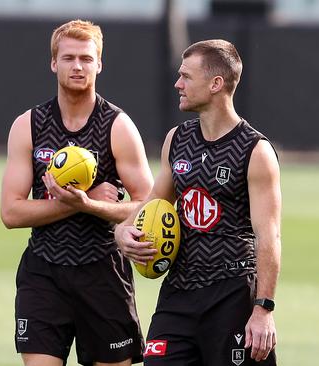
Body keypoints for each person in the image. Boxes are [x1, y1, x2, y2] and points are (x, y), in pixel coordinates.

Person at [114, 39, 281, 365]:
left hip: (232, 295)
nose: (178, 84)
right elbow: (150, 203)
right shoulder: (176, 140)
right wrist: (123, 231)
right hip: (179, 292)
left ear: (216, 83)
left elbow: (269, 236)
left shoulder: (255, 151)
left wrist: (263, 309)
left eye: (186, 76)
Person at [0, 19, 153, 366]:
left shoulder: (118, 126)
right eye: (68, 58)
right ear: (54, 63)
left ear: (99, 63)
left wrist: (90, 206)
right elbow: (10, 213)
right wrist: (81, 204)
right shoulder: (29, 125)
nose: (78, 66)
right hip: (44, 271)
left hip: (102, 272)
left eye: (86, 58)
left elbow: (148, 205)